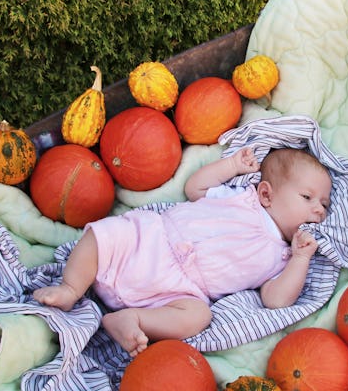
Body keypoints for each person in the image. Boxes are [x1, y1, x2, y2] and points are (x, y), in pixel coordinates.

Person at [33, 147, 332, 356]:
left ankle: (131, 319)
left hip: (179, 290)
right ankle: (71, 288)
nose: (318, 210)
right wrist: (232, 166)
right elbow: (195, 188)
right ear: (266, 193)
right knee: (104, 235)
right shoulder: (243, 199)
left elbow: (276, 300)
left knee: (198, 316)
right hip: (151, 240)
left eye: (324, 206)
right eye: (307, 197)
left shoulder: (283, 258)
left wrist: (301, 259)